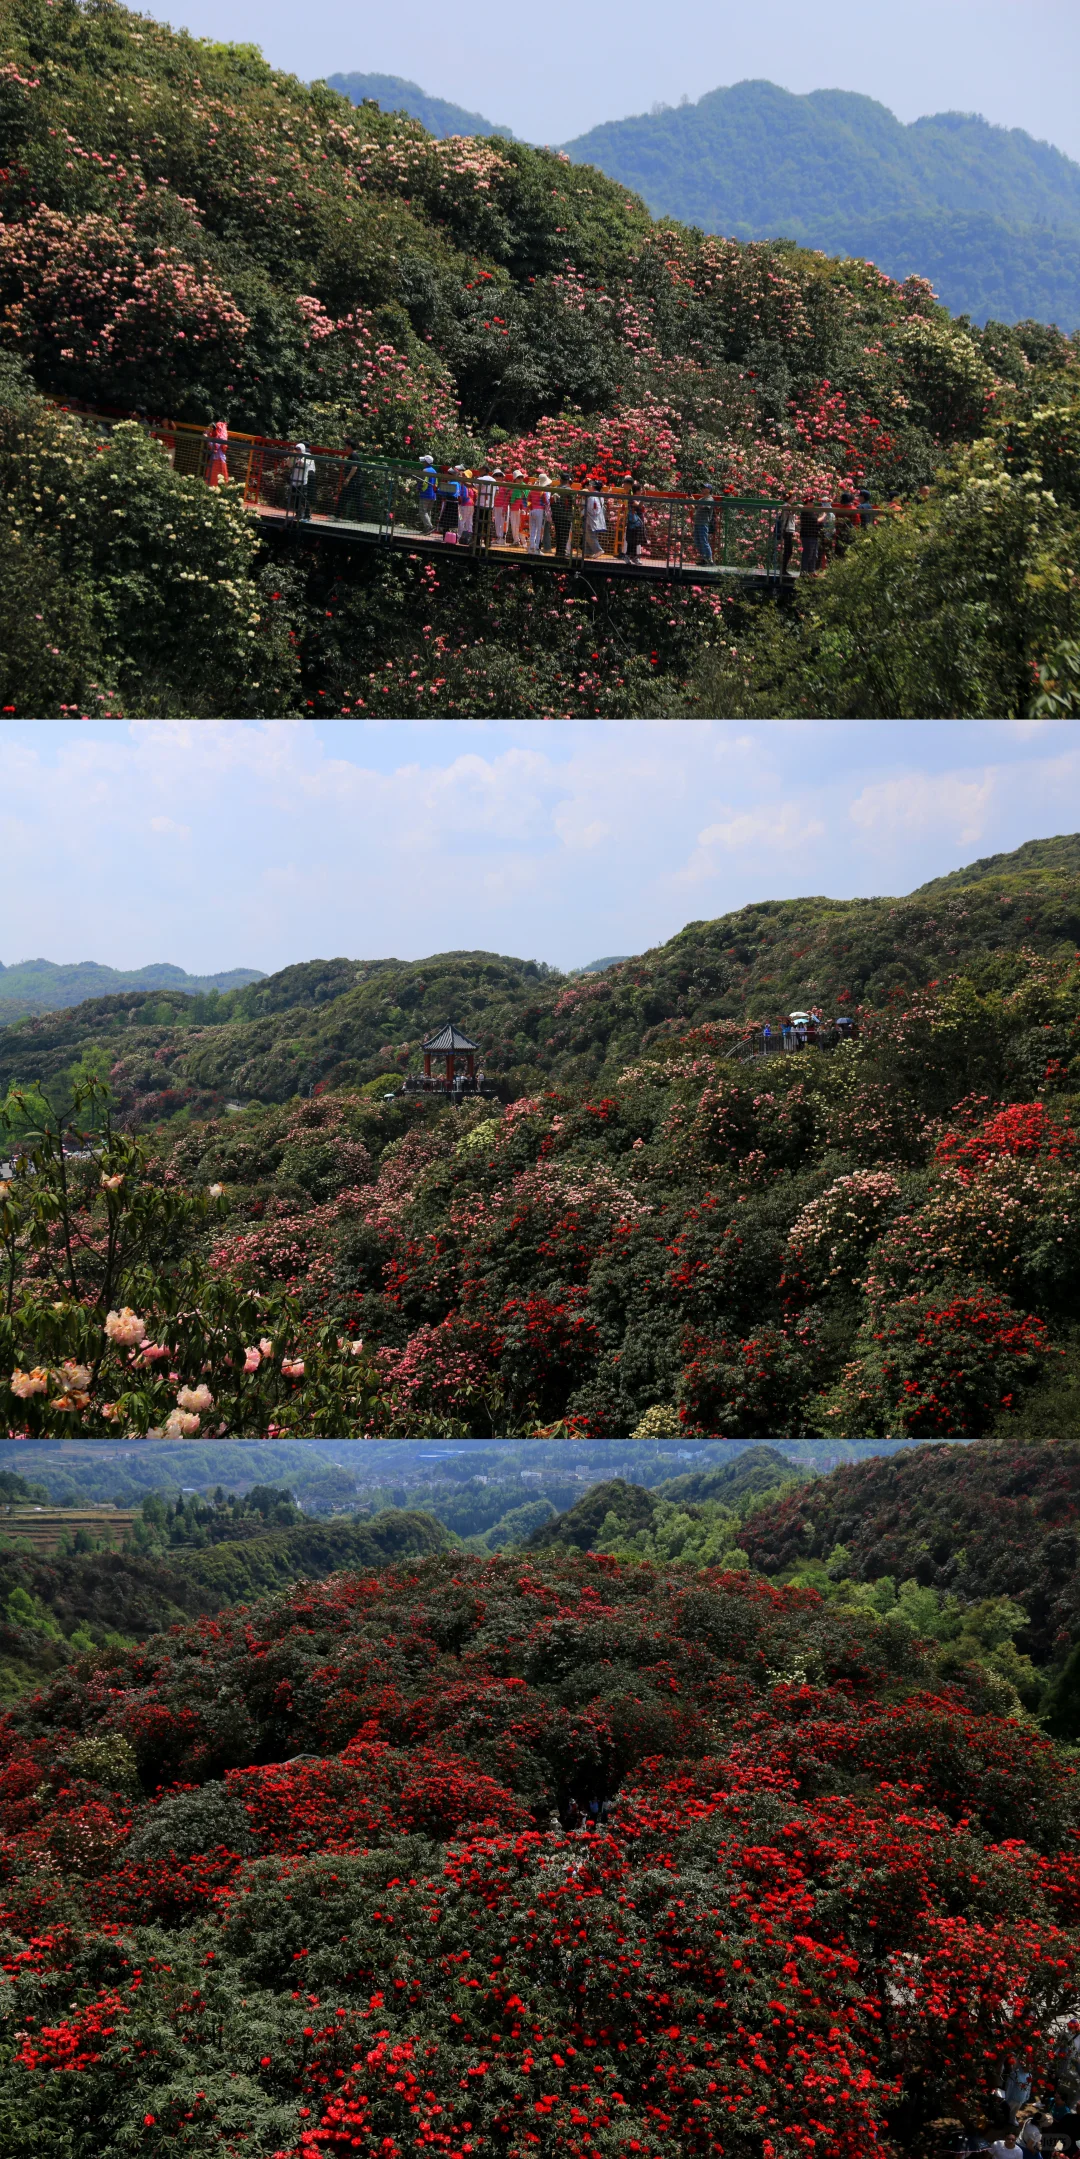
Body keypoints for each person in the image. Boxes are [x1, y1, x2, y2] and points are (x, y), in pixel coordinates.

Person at [288, 440, 315, 520]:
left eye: (298, 449)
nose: (297, 450)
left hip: (302, 481)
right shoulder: (294, 456)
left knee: (303, 499)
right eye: (296, 449)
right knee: (295, 498)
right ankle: (298, 514)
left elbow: (305, 464)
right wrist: (291, 456)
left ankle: (307, 515)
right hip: (294, 481)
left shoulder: (307, 456)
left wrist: (298, 457)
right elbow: (289, 465)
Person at [337, 439, 362, 522]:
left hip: (353, 481)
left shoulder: (353, 455)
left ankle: (337, 516)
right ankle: (360, 518)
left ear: (349, 446)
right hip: (356, 481)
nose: (345, 447)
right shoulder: (354, 455)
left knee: (343, 497)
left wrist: (347, 479)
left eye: (346, 445)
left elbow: (354, 467)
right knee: (358, 500)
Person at [775, 492, 798, 577]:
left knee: (788, 551)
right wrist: (797, 508)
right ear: (788, 498)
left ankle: (783, 569)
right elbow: (791, 513)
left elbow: (791, 516)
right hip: (787, 531)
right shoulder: (786, 506)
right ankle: (783, 569)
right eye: (792, 498)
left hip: (789, 530)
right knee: (788, 551)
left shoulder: (788, 506)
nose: (794, 499)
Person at [527, 472, 551, 552]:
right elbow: (546, 501)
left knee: (533, 529)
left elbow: (528, 501)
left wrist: (530, 508)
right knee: (539, 530)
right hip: (540, 511)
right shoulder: (542, 491)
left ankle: (531, 547)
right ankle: (537, 548)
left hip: (532, 511)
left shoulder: (531, 491)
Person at [552, 472, 574, 557]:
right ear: (568, 480)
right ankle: (562, 552)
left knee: (558, 534)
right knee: (564, 535)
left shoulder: (555, 489)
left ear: (560, 480)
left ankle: (558, 552)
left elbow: (551, 502)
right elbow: (573, 501)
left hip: (557, 515)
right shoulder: (569, 490)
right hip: (566, 516)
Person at [799, 494, 821, 575]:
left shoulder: (810, 511)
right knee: (808, 554)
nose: (813, 503)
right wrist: (824, 515)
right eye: (811, 501)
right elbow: (816, 521)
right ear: (807, 502)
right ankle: (804, 571)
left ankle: (811, 571)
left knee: (814, 554)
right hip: (808, 536)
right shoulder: (806, 511)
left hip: (813, 535)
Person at [474, 466, 495, 547]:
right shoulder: (493, 480)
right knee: (488, 525)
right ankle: (488, 543)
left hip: (480, 505)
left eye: (480, 470)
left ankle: (476, 542)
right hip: (489, 506)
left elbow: (472, 485)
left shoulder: (480, 479)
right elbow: (497, 492)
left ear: (484, 470)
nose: (479, 471)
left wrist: (463, 480)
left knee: (478, 524)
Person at [204, 417, 228, 487]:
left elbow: (215, 447)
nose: (210, 429)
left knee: (215, 480)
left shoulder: (219, 437)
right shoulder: (215, 435)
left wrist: (207, 438)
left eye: (212, 428)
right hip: (214, 459)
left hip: (218, 460)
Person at [584, 485, 607, 557]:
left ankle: (598, 550)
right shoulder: (600, 496)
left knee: (589, 535)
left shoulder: (592, 497)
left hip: (591, 517)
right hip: (598, 518)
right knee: (590, 535)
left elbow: (590, 508)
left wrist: (582, 512)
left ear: (593, 487)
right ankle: (588, 552)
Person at [625, 492, 647, 564]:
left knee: (636, 540)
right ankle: (627, 556)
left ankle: (634, 557)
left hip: (638, 523)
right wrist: (643, 497)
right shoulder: (632, 499)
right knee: (632, 540)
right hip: (633, 523)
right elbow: (639, 505)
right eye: (640, 490)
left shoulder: (637, 499)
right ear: (637, 491)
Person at [693, 489, 714, 564]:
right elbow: (695, 507)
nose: (703, 489)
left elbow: (704, 507)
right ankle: (704, 559)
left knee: (704, 541)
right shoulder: (701, 499)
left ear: (709, 490)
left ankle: (709, 559)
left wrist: (695, 502)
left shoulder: (710, 499)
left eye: (705, 488)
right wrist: (691, 501)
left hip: (703, 523)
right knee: (697, 541)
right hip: (697, 522)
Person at [417, 455, 437, 533]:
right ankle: (427, 529)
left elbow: (421, 482)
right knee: (428, 512)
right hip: (433, 495)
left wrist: (418, 488)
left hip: (425, 494)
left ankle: (429, 527)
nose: (422, 463)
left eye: (424, 461)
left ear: (426, 462)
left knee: (422, 511)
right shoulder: (434, 471)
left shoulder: (425, 470)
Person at [508, 469, 529, 545]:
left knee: (522, 524)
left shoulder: (525, 486)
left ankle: (524, 541)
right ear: (515, 479)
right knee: (514, 524)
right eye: (518, 477)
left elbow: (527, 497)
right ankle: (516, 541)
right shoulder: (511, 487)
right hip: (514, 508)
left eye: (521, 477)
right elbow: (509, 497)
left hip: (523, 508)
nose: (520, 479)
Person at [459, 470, 476, 544]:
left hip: (464, 504)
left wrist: (459, 502)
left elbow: (464, 496)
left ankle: (459, 536)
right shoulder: (471, 485)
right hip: (471, 504)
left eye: (464, 475)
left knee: (461, 520)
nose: (462, 476)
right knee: (469, 521)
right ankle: (469, 537)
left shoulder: (464, 485)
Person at [818, 495, 836, 567]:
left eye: (824, 503)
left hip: (827, 535)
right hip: (824, 534)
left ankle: (831, 567)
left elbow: (831, 526)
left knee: (828, 552)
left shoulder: (830, 513)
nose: (823, 504)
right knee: (822, 551)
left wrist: (827, 536)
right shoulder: (825, 512)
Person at [493, 469, 510, 544]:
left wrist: (505, 507)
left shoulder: (505, 485)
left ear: (502, 477)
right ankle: (498, 538)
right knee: (497, 522)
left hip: (503, 506)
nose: (498, 477)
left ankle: (502, 538)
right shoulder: (493, 485)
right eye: (496, 475)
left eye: (500, 475)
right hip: (496, 506)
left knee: (503, 522)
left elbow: (508, 496)